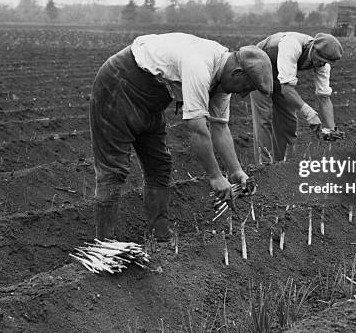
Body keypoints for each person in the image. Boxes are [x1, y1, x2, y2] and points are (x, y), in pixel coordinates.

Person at [89, 33, 273, 240]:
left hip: (151, 100)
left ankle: (159, 236)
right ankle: (104, 244)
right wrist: (215, 176)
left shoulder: (222, 79)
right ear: (237, 72)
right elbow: (197, 128)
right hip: (119, 83)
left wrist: (235, 171)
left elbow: (220, 128)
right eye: (246, 87)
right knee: (113, 170)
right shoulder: (200, 66)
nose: (243, 94)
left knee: (159, 165)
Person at [250, 32, 343, 164]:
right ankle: (264, 166)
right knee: (264, 118)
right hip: (259, 66)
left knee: (289, 121)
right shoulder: (291, 45)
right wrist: (310, 113)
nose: (322, 64)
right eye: (320, 60)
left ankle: (283, 165)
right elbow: (287, 89)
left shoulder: (322, 64)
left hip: (281, 75)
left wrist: (331, 130)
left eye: (325, 63)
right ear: (313, 49)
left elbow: (324, 97)